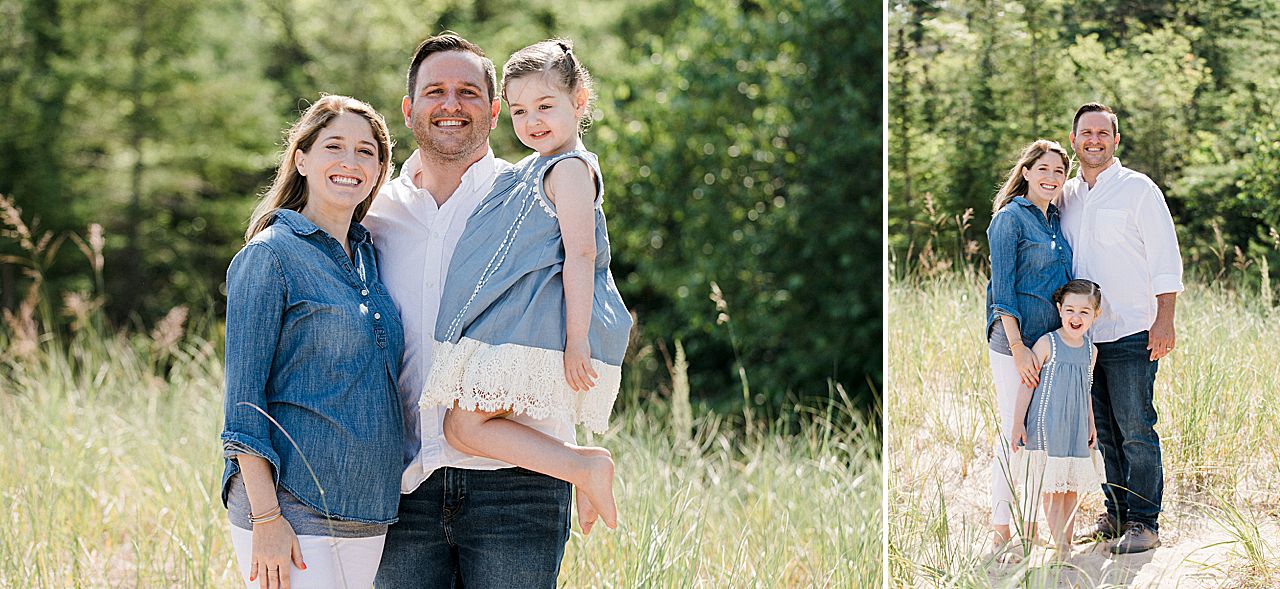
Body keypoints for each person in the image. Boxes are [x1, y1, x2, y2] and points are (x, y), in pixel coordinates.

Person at [365, 34, 603, 588]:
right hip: (402, 488)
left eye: (469, 92)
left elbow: (589, 269)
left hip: (518, 486)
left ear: (494, 111)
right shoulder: (372, 214)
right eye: (436, 91)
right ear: (409, 109)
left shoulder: (531, 194)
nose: (451, 104)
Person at [420, 37, 630, 533]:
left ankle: (585, 466)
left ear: (579, 102)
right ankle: (580, 467)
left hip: (539, 335)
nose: (532, 121)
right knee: (462, 425)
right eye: (518, 111)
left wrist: (576, 341)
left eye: (544, 106)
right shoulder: (535, 167)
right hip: (520, 328)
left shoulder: (572, 170)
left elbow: (582, 255)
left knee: (463, 425)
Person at [220, 94, 404, 589]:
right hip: (292, 508)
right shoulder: (270, 256)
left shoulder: (370, 254)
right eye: (334, 146)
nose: (351, 162)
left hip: (370, 512)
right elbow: (243, 408)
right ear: (302, 159)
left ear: (380, 169)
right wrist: (266, 519)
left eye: (367, 152)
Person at [1060, 102, 1183, 554]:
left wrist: (1164, 319)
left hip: (1133, 329)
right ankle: (1115, 512)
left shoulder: (1139, 190)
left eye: (1102, 133)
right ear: (1074, 141)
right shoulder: (1067, 195)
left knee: (1136, 428)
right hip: (1085, 337)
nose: (1093, 140)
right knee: (1106, 432)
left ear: (1116, 140)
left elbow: (1165, 257)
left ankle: (1144, 523)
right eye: (1085, 133)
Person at [984, 139, 1074, 560]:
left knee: (1039, 435)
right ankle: (1001, 531)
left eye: (1059, 171)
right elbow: (1002, 292)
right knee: (1013, 432)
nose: (1052, 178)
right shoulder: (1009, 220)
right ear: (1026, 171)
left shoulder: (1056, 219)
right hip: (1014, 344)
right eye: (1044, 169)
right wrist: (1018, 347)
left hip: (1050, 344)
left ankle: (1031, 525)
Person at [1011, 279, 1107, 557]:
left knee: (1070, 489)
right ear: (1059, 309)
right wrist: (1018, 423)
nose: (1076, 317)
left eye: (1084, 312)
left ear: (1095, 315)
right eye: (1070, 310)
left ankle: (1066, 540)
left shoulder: (1091, 350)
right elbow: (1027, 384)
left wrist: (1090, 423)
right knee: (1052, 489)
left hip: (1075, 427)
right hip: (1047, 425)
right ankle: (1062, 548)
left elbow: (1085, 388)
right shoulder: (1047, 343)